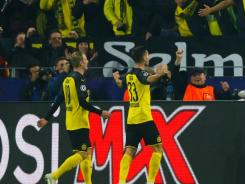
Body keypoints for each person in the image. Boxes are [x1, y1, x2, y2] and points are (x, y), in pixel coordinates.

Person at [38, 52, 111, 184]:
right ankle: (54, 176)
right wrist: (100, 112)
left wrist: (46, 118)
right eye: (85, 59)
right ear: (81, 63)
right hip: (79, 122)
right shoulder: (79, 79)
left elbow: (59, 99)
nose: (88, 61)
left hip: (72, 121)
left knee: (87, 152)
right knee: (83, 154)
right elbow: (82, 102)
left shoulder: (68, 79)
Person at [118, 46, 170, 184]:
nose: (149, 56)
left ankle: (121, 181)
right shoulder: (140, 73)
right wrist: (160, 73)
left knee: (129, 151)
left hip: (131, 118)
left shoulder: (129, 74)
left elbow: (119, 83)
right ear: (144, 56)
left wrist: (116, 78)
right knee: (158, 149)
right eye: (148, 54)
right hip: (144, 117)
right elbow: (147, 80)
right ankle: (151, 181)